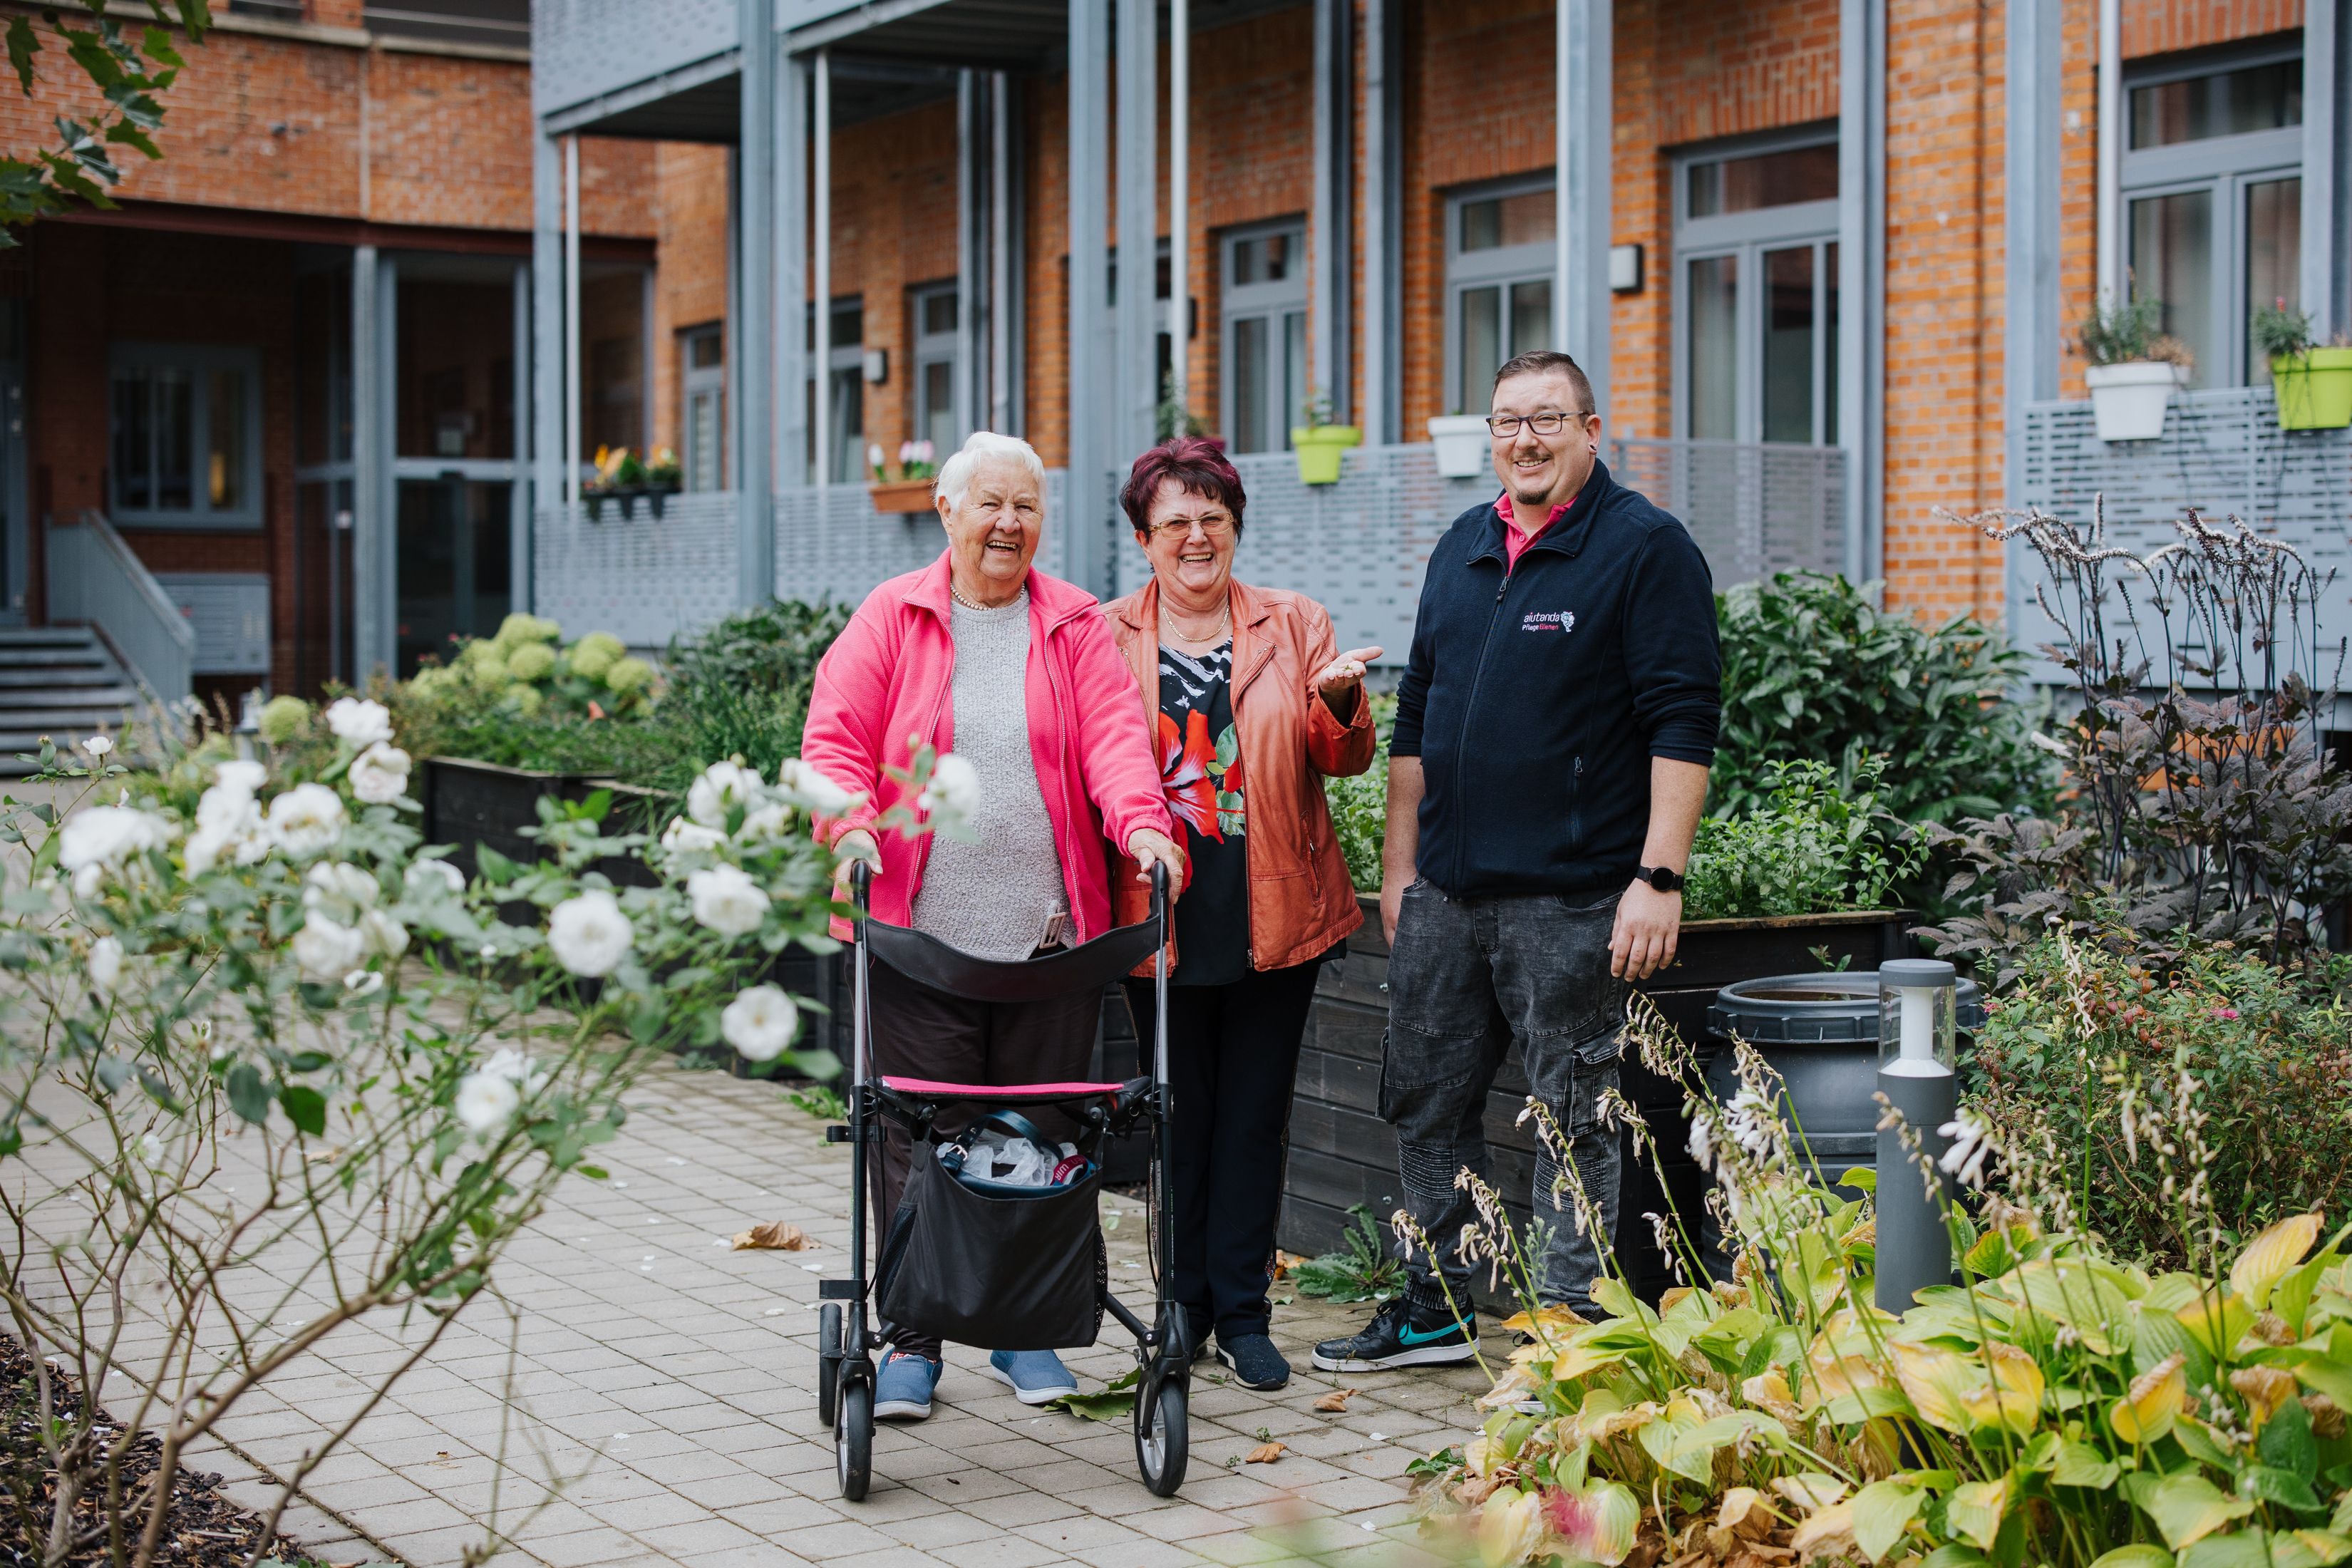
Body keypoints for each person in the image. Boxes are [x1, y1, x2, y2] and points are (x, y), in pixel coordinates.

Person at [1311, 351, 1721, 1373]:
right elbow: (1419, 727)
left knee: (1573, 1115)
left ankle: (1569, 1334)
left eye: (1546, 420)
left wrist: (1658, 878)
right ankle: (1437, 1307)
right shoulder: (1461, 545)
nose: (1525, 441)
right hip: (1446, 893)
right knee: (1425, 1099)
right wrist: (1400, 868)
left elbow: (1684, 721)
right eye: (1506, 423)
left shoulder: (1644, 550)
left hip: (1573, 898)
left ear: (1591, 430)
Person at [800, 429, 1185, 1421]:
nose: (1010, 524)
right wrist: (848, 828)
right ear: (948, 510)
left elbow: (1112, 742)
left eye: (1027, 507)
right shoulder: (894, 615)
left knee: (1046, 1134)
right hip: (920, 936)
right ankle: (914, 1345)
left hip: (1048, 941)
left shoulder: (1069, 624)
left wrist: (1144, 829)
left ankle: (1023, 1331)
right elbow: (837, 740)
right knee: (921, 1140)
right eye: (992, 505)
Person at [1103, 437, 1381, 1391]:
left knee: (1254, 1118)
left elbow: (1338, 761)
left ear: (1235, 528)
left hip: (1275, 906)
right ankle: (1180, 1309)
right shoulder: (1105, 635)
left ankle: (1245, 1313)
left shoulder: (1294, 622)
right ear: (1144, 538)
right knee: (1178, 1118)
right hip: (1159, 907)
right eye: (1174, 521)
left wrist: (1342, 704)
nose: (1195, 536)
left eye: (1212, 518)